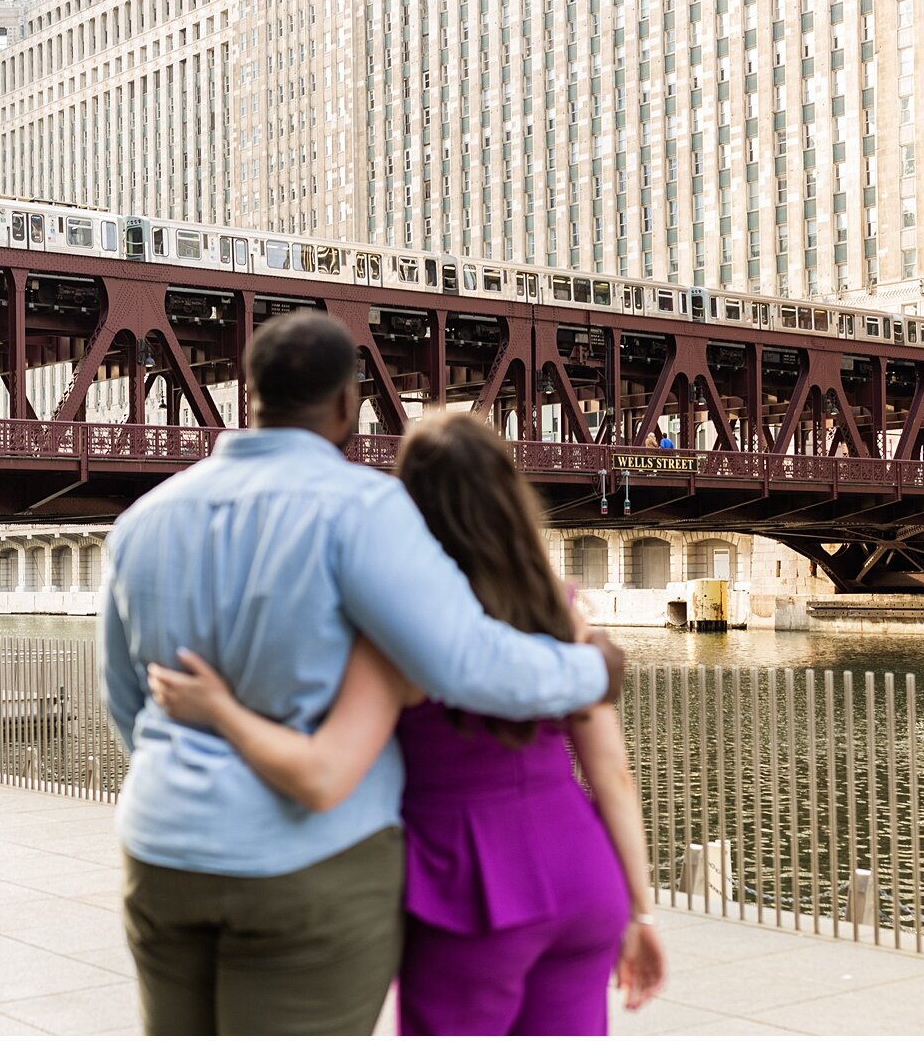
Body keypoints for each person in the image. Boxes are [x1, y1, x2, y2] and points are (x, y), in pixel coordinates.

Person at [98, 311, 625, 1036]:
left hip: (162, 850)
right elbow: (465, 661)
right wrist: (590, 669)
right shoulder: (363, 510)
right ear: (347, 403)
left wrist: (194, 780)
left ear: (249, 393)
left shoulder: (142, 521)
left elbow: (127, 702)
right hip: (309, 861)